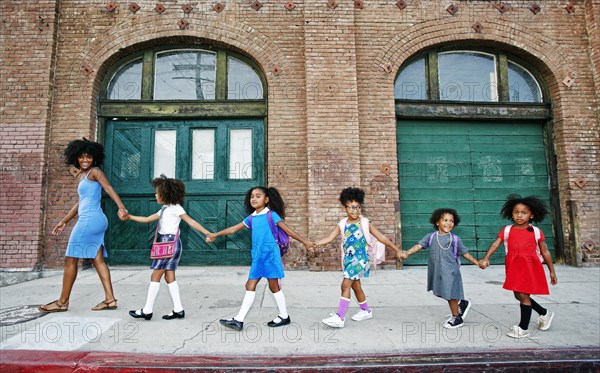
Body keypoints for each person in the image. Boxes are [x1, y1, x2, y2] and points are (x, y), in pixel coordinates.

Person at [206, 186, 313, 331]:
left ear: (266, 199)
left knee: (273, 286)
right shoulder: (252, 218)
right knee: (250, 284)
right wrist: (214, 235)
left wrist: (305, 242)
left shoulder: (271, 215)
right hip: (258, 255)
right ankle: (239, 320)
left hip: (270, 254)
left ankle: (283, 316)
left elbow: (288, 231)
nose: (254, 199)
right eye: (252, 196)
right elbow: (233, 229)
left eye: (258, 196)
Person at [40, 138, 128, 312]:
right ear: (76, 158)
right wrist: (64, 221)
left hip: (89, 221)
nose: (85, 160)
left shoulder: (95, 172)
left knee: (71, 259)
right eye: (82, 157)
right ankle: (110, 299)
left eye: (89, 157)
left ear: (95, 158)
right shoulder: (82, 175)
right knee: (98, 259)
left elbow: (109, 188)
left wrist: (121, 207)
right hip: (96, 220)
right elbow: (81, 203)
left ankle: (62, 302)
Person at [313, 187, 402, 328]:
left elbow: (382, 237)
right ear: (345, 208)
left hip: (360, 260)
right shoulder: (342, 224)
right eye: (351, 208)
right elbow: (330, 237)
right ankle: (366, 310)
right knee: (356, 286)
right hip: (348, 260)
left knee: (345, 285)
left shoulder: (364, 223)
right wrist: (315, 243)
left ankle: (340, 317)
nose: (355, 211)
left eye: (358, 207)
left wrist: (397, 249)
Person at [125, 175, 211, 321]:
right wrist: (129, 217)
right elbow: (147, 219)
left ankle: (147, 310)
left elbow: (190, 221)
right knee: (169, 276)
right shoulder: (165, 209)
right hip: (171, 245)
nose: (155, 194)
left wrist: (207, 233)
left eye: (157, 192)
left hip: (168, 244)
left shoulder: (175, 208)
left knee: (155, 276)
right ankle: (178, 309)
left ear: (166, 194)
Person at [479, 194, 557, 339]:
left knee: (523, 295)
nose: (519, 215)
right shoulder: (507, 230)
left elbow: (545, 251)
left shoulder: (536, 232)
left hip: (530, 266)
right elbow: (496, 243)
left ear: (532, 215)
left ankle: (523, 328)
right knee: (518, 294)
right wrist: (486, 257)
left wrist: (552, 271)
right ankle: (544, 313)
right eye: (516, 212)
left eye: (524, 212)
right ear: (511, 213)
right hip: (514, 266)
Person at [401, 208, 479, 329]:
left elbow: (465, 253)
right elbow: (419, 245)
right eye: (445, 220)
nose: (448, 223)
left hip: (451, 271)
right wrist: (408, 252)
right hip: (438, 271)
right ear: (437, 222)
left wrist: (477, 262)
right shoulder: (431, 237)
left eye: (451, 221)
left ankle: (456, 318)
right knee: (443, 292)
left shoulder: (455, 239)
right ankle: (461, 303)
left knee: (449, 294)